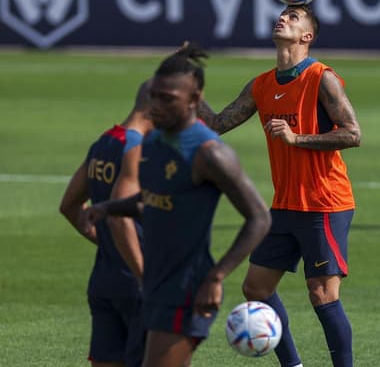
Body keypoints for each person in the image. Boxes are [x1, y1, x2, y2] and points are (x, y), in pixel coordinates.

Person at [84, 43, 271, 367]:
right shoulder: (155, 142)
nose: (156, 105)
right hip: (155, 282)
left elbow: (259, 217)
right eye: (154, 95)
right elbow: (153, 198)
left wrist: (217, 276)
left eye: (168, 99)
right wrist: (109, 209)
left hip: (189, 287)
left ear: (195, 101)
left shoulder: (209, 153)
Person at [197, 4, 361, 367]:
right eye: (282, 14)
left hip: (325, 202)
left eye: (294, 17)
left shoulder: (322, 77)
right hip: (286, 205)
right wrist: (188, 83)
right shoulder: (261, 85)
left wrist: (297, 139)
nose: (283, 18)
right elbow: (217, 123)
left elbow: (353, 134)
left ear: (307, 36)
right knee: (256, 288)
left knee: (321, 293)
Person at [59, 80, 154, 367]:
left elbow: (69, 206)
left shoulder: (104, 142)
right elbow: (119, 218)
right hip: (141, 283)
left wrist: (108, 242)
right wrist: (143, 275)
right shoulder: (138, 150)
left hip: (104, 279)